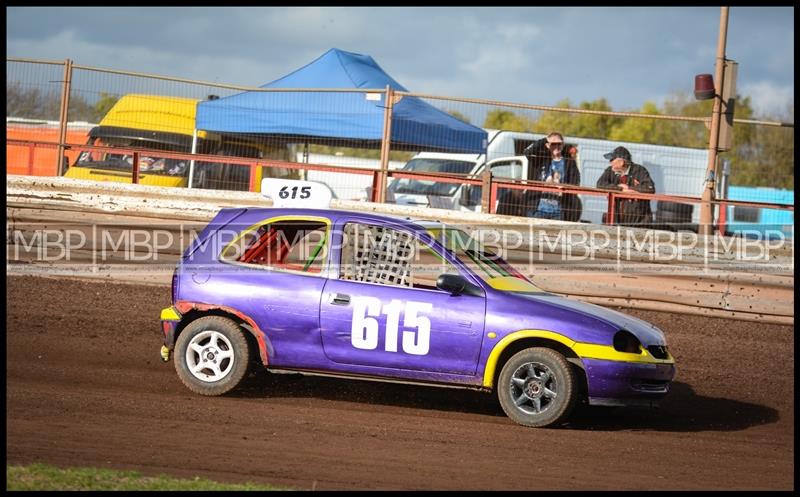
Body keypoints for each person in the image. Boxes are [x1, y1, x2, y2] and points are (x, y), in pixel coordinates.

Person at [520, 132, 581, 221]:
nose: (556, 146)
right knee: (535, 234)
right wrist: (545, 140)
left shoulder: (569, 163)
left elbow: (576, 181)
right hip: (538, 209)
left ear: (563, 145)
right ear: (548, 145)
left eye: (559, 144)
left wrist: (565, 187)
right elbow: (527, 152)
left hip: (559, 211)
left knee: (555, 235)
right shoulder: (541, 158)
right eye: (553, 144)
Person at [596, 146, 655, 226]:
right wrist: (620, 189)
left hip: (639, 222)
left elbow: (650, 188)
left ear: (621, 162)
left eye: (612, 159)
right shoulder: (610, 171)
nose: (610, 162)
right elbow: (600, 185)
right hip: (617, 221)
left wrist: (629, 188)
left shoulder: (640, 170)